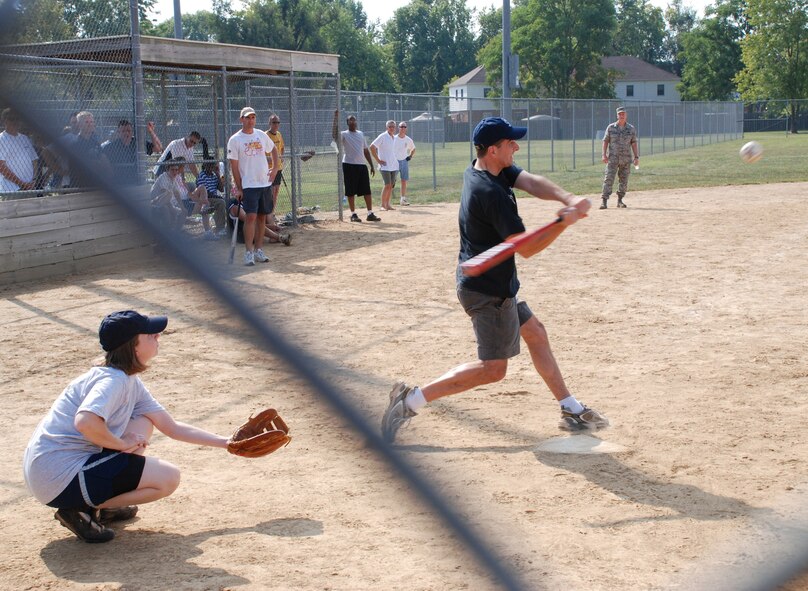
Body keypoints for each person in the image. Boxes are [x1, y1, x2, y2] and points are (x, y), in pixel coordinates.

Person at [381, 117, 609, 444]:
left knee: (536, 333)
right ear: (492, 150)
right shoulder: (490, 193)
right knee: (493, 369)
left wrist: (568, 199)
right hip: (487, 292)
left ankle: (570, 409)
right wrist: (563, 224)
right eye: (510, 143)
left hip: (494, 284)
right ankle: (409, 401)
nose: (516, 146)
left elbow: (530, 181)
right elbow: (527, 248)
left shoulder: (488, 169)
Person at [22, 310, 231, 543]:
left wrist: (227, 443)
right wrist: (122, 443)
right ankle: (79, 508)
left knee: (144, 421)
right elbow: (85, 422)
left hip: (54, 472)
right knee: (168, 477)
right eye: (151, 335)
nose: (158, 336)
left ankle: (100, 505)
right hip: (60, 479)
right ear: (134, 346)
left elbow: (170, 427)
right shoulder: (113, 381)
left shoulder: (126, 378)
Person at [227, 106, 279, 266]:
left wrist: (275, 169)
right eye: (247, 117)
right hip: (248, 185)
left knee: (262, 217)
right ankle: (248, 252)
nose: (251, 120)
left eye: (253, 117)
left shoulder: (261, 135)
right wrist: (240, 187)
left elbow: (274, 150)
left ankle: (259, 250)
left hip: (264, 183)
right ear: (241, 119)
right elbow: (234, 167)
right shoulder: (235, 140)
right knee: (251, 217)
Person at [331, 109, 381, 223]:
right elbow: (334, 135)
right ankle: (353, 214)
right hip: (349, 165)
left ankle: (370, 213)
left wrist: (371, 165)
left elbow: (366, 150)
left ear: (356, 122)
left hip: (361, 165)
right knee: (350, 190)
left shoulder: (360, 134)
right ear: (347, 123)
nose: (353, 123)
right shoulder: (344, 134)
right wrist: (335, 118)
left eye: (354, 121)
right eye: (350, 121)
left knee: (367, 190)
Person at [100, 119, 163, 186]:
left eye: (128, 131)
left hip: (137, 182)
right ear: (118, 132)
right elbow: (101, 156)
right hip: (119, 183)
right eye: (123, 131)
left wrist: (151, 132)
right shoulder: (113, 146)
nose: (126, 133)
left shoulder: (138, 143)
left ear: (132, 132)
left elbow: (158, 148)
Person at [600, 106, 639, 209]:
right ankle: (604, 201)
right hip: (613, 158)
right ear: (617, 115)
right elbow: (605, 141)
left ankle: (620, 201)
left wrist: (636, 157)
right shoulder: (611, 127)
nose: (621, 115)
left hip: (626, 159)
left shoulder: (631, 129)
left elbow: (634, 143)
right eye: (620, 114)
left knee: (624, 180)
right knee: (608, 179)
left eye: (623, 114)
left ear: (626, 115)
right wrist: (604, 154)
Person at [0, 108, 38, 193]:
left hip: (30, 186)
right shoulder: (1, 139)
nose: (15, 122)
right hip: (11, 189)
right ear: (4, 121)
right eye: (12, 119)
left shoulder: (24, 138)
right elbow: (1, 167)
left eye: (17, 119)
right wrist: (22, 184)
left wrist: (34, 179)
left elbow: (34, 160)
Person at [370, 120, 400, 211]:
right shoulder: (383, 136)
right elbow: (372, 147)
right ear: (387, 127)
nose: (392, 128)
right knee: (387, 185)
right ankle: (383, 205)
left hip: (394, 165)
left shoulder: (394, 138)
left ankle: (388, 204)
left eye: (393, 126)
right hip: (385, 166)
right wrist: (378, 160)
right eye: (390, 126)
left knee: (391, 186)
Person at [265, 113, 285, 212]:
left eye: (278, 122)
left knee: (276, 191)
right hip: (269, 169)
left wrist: (281, 158)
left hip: (278, 168)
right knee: (270, 192)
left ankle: (272, 212)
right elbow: (262, 154)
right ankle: (268, 213)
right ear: (270, 123)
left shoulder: (279, 135)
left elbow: (282, 148)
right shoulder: (265, 136)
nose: (276, 124)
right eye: (274, 122)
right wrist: (272, 159)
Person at [394, 121, 415, 206]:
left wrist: (410, 156)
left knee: (404, 180)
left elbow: (413, 149)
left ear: (406, 128)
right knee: (391, 182)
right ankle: (386, 202)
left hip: (404, 161)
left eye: (404, 127)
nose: (403, 128)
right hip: (395, 162)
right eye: (401, 126)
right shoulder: (394, 138)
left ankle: (402, 199)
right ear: (398, 128)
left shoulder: (408, 139)